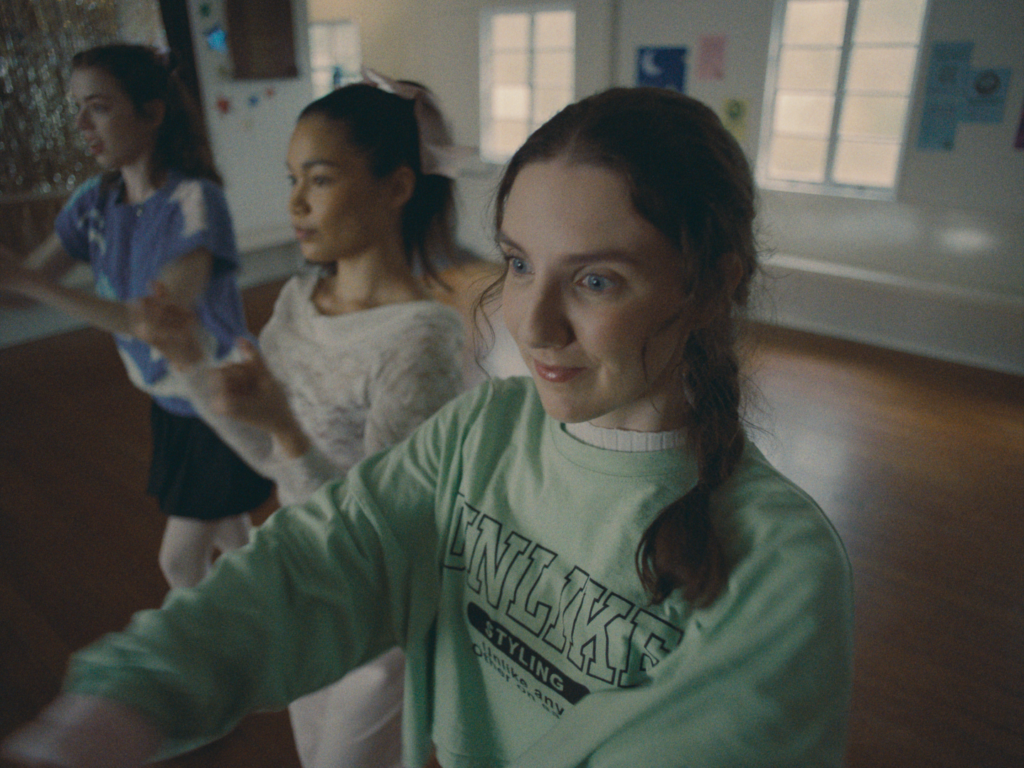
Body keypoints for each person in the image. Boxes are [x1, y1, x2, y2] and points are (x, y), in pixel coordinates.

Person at [1, 87, 855, 768]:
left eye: (595, 280)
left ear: (710, 286)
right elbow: (324, 556)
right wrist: (118, 704)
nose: (534, 325)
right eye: (518, 264)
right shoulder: (484, 428)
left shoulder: (782, 568)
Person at [129, 74, 467, 768]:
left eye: (320, 179)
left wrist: (286, 429)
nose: (295, 203)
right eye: (292, 179)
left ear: (397, 187)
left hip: (378, 618)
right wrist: (190, 359)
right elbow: (268, 456)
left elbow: (378, 541)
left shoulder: (421, 341)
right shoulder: (299, 298)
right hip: (302, 582)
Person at [0, 43, 273, 591]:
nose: (82, 124)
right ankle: (275, 608)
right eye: (77, 108)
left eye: (98, 107)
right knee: (233, 536)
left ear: (151, 113)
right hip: (172, 401)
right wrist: (19, 278)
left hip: (220, 396)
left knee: (179, 563)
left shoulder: (194, 200)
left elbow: (154, 323)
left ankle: (213, 639)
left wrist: (26, 281)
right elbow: (24, 284)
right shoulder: (94, 202)